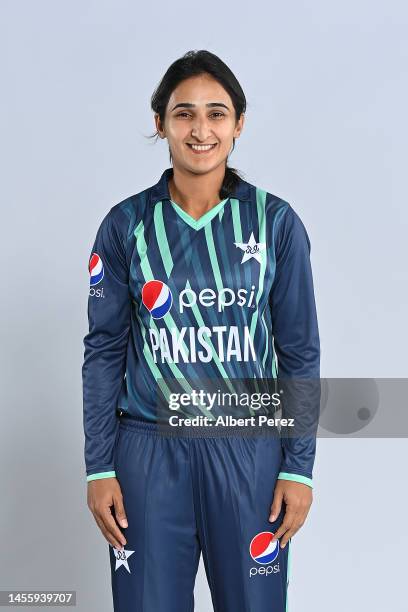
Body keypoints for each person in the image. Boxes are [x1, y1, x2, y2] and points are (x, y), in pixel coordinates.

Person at [82, 49, 320, 612]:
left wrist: (298, 468)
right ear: (160, 122)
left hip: (248, 449)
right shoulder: (126, 225)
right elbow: (103, 352)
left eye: (217, 113)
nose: (200, 129)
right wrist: (100, 466)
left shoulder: (275, 222)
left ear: (239, 124)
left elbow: (299, 351)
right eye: (184, 113)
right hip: (147, 450)